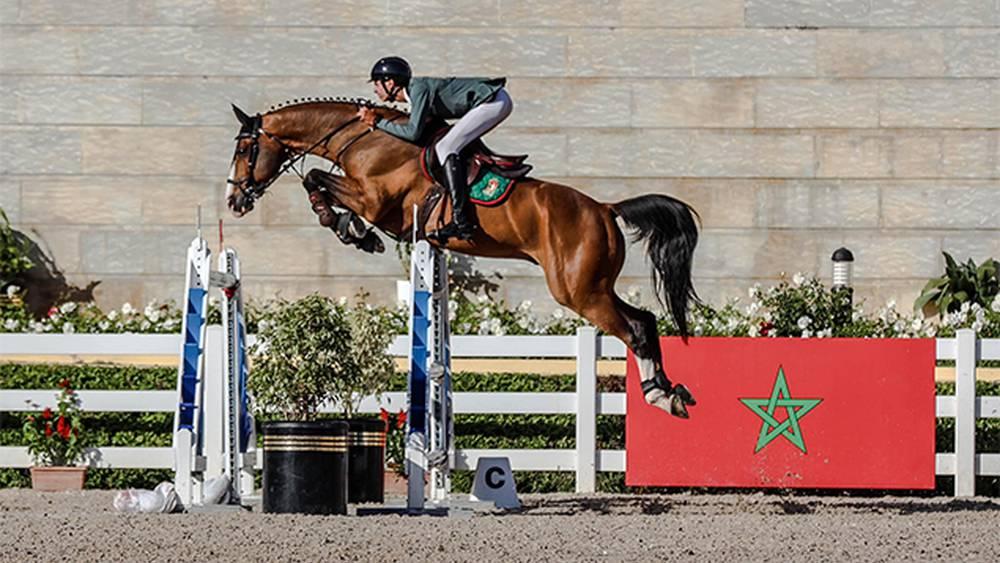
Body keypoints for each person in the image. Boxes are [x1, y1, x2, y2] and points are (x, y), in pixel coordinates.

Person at [357, 56, 512, 243]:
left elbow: (413, 133)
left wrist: (377, 122)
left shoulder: (417, 89)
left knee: (446, 147)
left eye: (377, 83)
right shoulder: (414, 93)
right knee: (447, 145)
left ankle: (461, 221)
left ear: (390, 82)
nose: (375, 89)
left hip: (493, 102)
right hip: (492, 101)